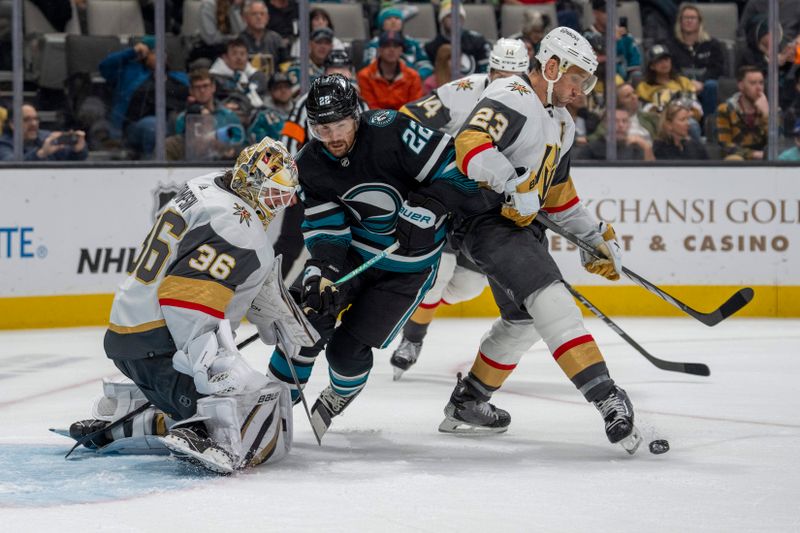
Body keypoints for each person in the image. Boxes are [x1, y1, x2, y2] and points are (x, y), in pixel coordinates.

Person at [436, 27, 643, 453]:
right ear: (550, 67)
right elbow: (470, 143)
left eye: (586, 82)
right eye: (576, 79)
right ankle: (607, 398)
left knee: (523, 320)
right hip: (484, 221)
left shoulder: (562, 123)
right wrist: (511, 184)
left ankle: (469, 402)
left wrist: (592, 238)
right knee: (551, 300)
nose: (581, 90)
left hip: (517, 228)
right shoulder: (512, 92)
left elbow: (557, 195)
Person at [67, 138, 307, 474]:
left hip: (132, 325)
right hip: (158, 342)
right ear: (251, 185)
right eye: (276, 194)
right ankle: (189, 424)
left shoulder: (207, 186)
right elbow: (185, 303)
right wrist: (212, 370)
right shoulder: (238, 229)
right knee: (238, 415)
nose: (283, 203)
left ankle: (132, 412)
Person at [266, 74, 477, 439]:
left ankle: (338, 395)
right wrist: (323, 270)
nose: (331, 137)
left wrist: (432, 205)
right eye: (321, 128)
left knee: (346, 353)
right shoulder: (311, 165)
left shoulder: (391, 131)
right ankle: (269, 409)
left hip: (407, 270)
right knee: (304, 321)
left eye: (339, 125)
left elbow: (459, 167)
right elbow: (327, 231)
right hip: (353, 256)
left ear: (357, 116)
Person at [391, 39, 530, 379]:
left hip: (488, 207)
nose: (506, 82)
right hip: (450, 195)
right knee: (437, 274)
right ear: (489, 70)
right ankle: (413, 338)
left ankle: (420, 308)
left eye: (514, 75)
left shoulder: (534, 105)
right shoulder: (461, 92)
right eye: (500, 74)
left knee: (468, 286)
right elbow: (407, 119)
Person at [275, 50, 369, 280]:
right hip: (307, 184)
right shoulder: (305, 101)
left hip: (346, 189)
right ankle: (264, 292)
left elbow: (368, 148)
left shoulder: (361, 104)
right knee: (290, 243)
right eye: (332, 69)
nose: (338, 73)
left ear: (351, 72)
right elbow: (288, 142)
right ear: (324, 72)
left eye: (343, 68)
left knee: (348, 246)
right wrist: (289, 182)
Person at [99, 36, 189, 158]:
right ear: (145, 55)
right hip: (137, 125)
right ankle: (153, 168)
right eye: (154, 52)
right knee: (154, 127)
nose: (161, 56)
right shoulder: (131, 73)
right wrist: (133, 52)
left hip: (174, 120)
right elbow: (105, 66)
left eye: (163, 52)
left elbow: (198, 89)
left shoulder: (178, 77)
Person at [167, 69, 244, 162]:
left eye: (205, 86)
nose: (202, 90)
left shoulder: (229, 116)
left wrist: (230, 150)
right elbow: (178, 147)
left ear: (213, 87)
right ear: (191, 90)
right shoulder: (182, 118)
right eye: (197, 87)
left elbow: (242, 145)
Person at [666, 3, 725, 118]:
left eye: (692, 18)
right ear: (680, 22)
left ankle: (709, 124)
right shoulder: (671, 45)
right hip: (681, 85)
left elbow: (717, 68)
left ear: (699, 22)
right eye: (685, 18)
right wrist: (688, 84)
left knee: (711, 85)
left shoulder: (712, 44)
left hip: (705, 86)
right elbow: (672, 69)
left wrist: (702, 82)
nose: (689, 21)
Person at [357, 31, 423, 111]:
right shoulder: (365, 76)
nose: (391, 50)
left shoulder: (413, 76)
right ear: (379, 50)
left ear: (401, 50)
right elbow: (370, 107)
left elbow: (414, 108)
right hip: (375, 120)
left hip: (405, 120)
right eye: (387, 46)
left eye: (395, 46)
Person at [363, 6, 433, 80]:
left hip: (412, 82)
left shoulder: (413, 44)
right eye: (388, 18)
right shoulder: (373, 45)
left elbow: (426, 65)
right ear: (382, 24)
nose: (393, 21)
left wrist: (418, 75)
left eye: (397, 18)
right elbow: (368, 67)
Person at [425, 0, 492, 77]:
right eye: (449, 16)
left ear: (463, 19)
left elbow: (488, 70)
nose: (455, 20)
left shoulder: (478, 41)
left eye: (458, 16)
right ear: (442, 20)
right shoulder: (432, 47)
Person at [0, 103, 88, 161]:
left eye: (36, 119)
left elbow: (72, 159)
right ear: (12, 124)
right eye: (27, 120)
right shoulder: (3, 144)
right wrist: (41, 153)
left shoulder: (45, 137)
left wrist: (78, 150)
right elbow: (12, 166)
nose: (34, 124)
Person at [716, 65, 768, 160]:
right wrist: (754, 154)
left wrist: (766, 115)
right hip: (737, 161)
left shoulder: (771, 110)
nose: (759, 88)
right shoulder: (725, 110)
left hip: (767, 162)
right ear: (741, 86)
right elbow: (725, 146)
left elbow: (779, 144)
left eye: (761, 83)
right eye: (753, 83)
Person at [586, 0, 641, 83]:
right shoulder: (586, 36)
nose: (610, 14)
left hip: (625, 84)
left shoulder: (624, 35)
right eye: (605, 11)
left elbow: (635, 61)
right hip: (599, 82)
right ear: (595, 13)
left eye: (613, 10)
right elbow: (588, 63)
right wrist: (611, 40)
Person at [209, 37, 269, 109]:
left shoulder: (257, 76)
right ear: (225, 57)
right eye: (234, 54)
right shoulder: (213, 78)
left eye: (242, 54)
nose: (239, 58)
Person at [575, 107, 653, 160]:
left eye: (624, 121)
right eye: (615, 121)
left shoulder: (636, 148)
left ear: (629, 124)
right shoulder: (591, 149)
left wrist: (646, 147)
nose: (621, 125)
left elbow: (652, 175)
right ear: (605, 124)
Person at [239, 0, 289, 75]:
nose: (259, 17)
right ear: (245, 18)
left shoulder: (276, 39)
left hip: (274, 84)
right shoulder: (238, 41)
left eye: (262, 14)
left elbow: (286, 65)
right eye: (254, 14)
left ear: (267, 17)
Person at [248, 71, 293, 142]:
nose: (283, 91)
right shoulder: (261, 115)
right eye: (278, 87)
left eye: (286, 87)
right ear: (270, 91)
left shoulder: (298, 110)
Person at [286, 27, 334, 95]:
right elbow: (295, 93)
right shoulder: (298, 66)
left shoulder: (337, 67)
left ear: (332, 46)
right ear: (310, 45)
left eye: (327, 43)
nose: (323, 46)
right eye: (319, 42)